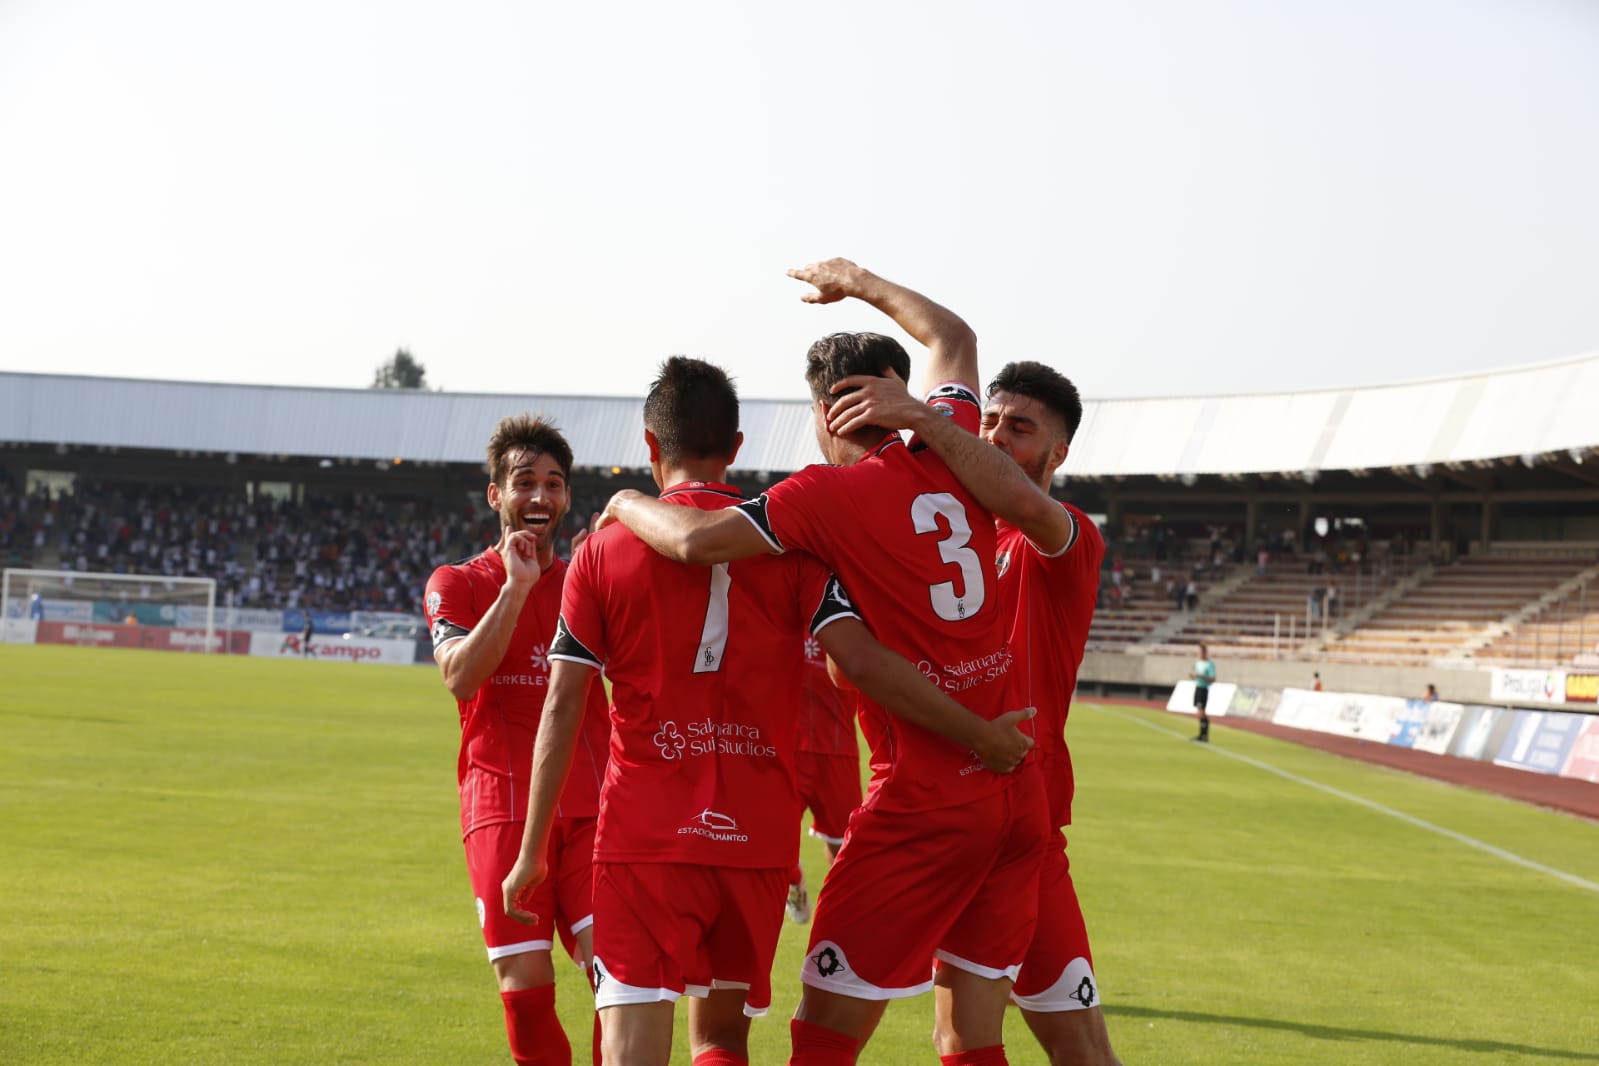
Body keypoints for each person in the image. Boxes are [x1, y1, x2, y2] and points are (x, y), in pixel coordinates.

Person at [501, 357, 1033, 1066]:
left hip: (645, 834)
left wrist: (532, 848)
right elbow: (867, 664)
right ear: (738, 445)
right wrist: (976, 733)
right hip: (755, 839)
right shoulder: (792, 546)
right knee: (721, 1039)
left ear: (651, 447)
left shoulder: (602, 551)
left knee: (632, 1040)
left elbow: (563, 706)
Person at [824, 358, 1122, 1062]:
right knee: (958, 1035)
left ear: (1058, 453)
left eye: (1018, 430)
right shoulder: (936, 550)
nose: (992, 438)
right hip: (940, 809)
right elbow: (847, 670)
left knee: (1075, 1042)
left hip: (1026, 818)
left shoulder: (1056, 539)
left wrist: (924, 419)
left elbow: (1022, 504)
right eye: (987, 421)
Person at [422, 415, 612, 1066]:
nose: (539, 496)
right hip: (500, 804)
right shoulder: (457, 582)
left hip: (594, 807)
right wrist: (516, 589)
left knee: (619, 980)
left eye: (553, 484)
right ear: (495, 495)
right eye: (524, 481)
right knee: (525, 987)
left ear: (566, 497)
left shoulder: (592, 577)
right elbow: (460, 676)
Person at [786, 632, 863, 926]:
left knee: (842, 848)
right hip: (790, 750)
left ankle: (838, 921)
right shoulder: (788, 614)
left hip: (838, 751)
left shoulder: (849, 620)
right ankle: (794, 881)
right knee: (773, 841)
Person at [1191, 644, 1217, 742]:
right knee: (1199, 712)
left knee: (1201, 712)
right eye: (1199, 652)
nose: (1200, 654)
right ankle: (1202, 735)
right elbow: (1194, 675)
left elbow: (1213, 679)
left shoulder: (1210, 664)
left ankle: (1204, 735)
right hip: (1197, 687)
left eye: (1202, 652)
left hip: (1203, 689)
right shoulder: (1198, 663)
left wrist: (1200, 676)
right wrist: (1193, 676)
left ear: (1205, 652)